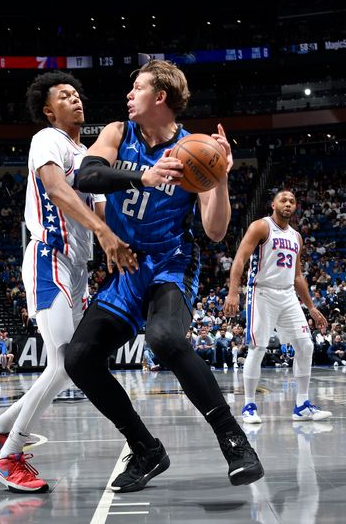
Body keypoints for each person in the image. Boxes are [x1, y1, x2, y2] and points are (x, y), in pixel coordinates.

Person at [63, 59, 263, 493]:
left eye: (137, 88)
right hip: (126, 266)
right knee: (78, 359)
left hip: (171, 261)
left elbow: (214, 231)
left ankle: (235, 442)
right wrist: (143, 176)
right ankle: (146, 448)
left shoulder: (196, 150)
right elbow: (85, 174)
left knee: (165, 338)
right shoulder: (119, 132)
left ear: (161, 97)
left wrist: (222, 179)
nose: (129, 95)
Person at [0, 71, 138, 493]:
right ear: (49, 110)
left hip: (79, 268)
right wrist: (102, 235)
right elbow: (57, 189)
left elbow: (100, 213)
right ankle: (7, 456)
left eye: (78, 93)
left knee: (71, 366)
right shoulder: (47, 139)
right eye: (65, 95)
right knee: (65, 362)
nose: (76, 99)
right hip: (50, 258)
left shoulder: (88, 154)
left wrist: (114, 244)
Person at [223, 190, 330, 424]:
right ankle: (249, 405)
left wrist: (311, 307)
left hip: (288, 295)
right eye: (284, 200)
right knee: (258, 347)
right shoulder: (261, 227)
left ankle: (302, 404)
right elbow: (240, 258)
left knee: (305, 345)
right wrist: (233, 292)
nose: (288, 204)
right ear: (273, 204)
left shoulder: (296, 237)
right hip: (262, 292)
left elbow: (298, 276)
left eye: (292, 201)